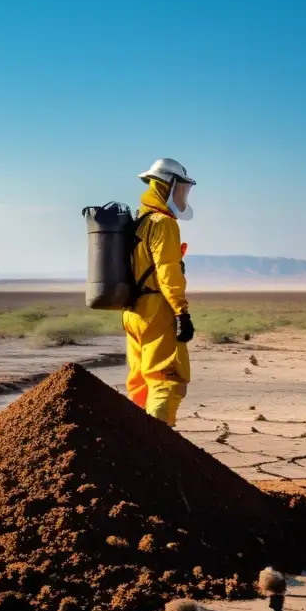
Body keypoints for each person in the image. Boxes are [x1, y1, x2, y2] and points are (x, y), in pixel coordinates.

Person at [123, 158, 196, 426]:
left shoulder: (140, 222)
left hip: (133, 311)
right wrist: (181, 312)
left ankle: (136, 437)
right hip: (157, 310)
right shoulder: (163, 223)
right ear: (169, 186)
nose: (184, 195)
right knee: (166, 379)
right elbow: (167, 272)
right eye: (182, 188)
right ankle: (156, 447)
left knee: (140, 382)